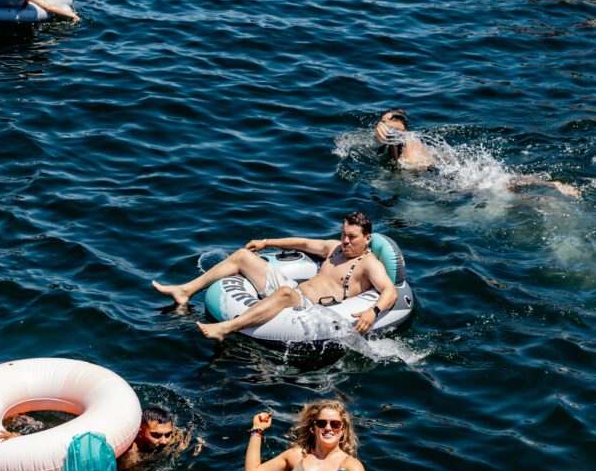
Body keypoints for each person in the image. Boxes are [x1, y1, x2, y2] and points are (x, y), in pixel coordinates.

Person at [152, 212, 398, 341]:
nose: (345, 241)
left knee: (286, 293)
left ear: (367, 238)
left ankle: (225, 328)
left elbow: (390, 292)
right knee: (242, 256)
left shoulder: (369, 264)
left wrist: (372, 312)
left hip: (310, 308)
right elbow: (302, 242)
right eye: (344, 234)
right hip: (293, 290)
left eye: (352, 237)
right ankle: (184, 291)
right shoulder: (334, 248)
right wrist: (266, 242)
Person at [374, 108, 580, 197]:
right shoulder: (421, 145)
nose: (384, 123)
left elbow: (395, 128)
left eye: (386, 119)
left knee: (487, 191)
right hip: (442, 170)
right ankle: (549, 184)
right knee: (497, 181)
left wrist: (382, 126)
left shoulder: (404, 137)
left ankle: (542, 198)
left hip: (432, 175)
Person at [243, 400, 367, 471]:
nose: (328, 428)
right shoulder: (296, 456)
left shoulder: (350, 464)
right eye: (322, 423)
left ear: (343, 430)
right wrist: (257, 430)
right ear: (314, 428)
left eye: (335, 424)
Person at [120, 406, 188, 467]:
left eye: (167, 434)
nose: (164, 441)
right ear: (140, 429)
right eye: (156, 435)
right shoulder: (132, 454)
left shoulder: (174, 435)